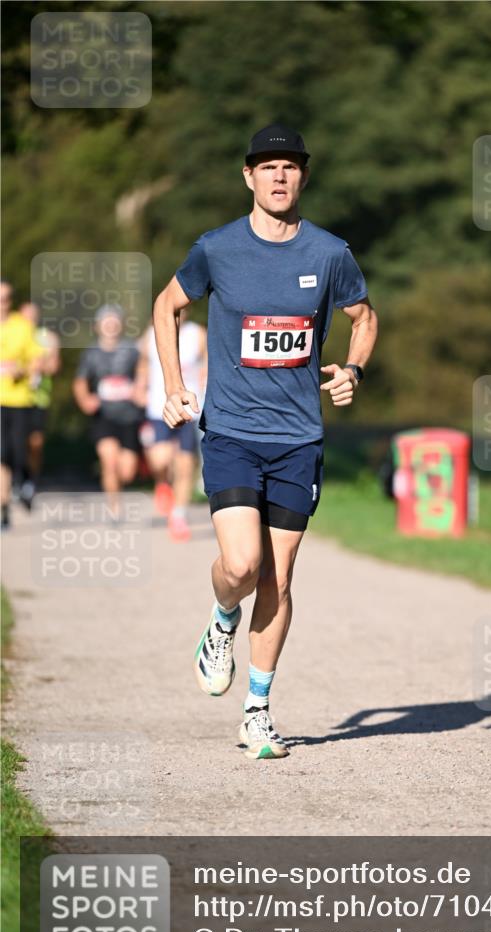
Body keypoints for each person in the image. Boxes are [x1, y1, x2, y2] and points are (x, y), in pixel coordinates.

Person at [153, 123, 378, 760]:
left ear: (303, 178)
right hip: (230, 432)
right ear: (248, 177)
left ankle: (257, 710)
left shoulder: (330, 253)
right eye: (267, 167)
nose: (279, 176)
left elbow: (364, 317)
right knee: (243, 565)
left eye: (291, 167)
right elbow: (166, 306)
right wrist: (173, 384)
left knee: (279, 577)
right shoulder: (216, 248)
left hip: (298, 440)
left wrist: (353, 368)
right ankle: (221, 620)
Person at [136, 307, 207, 541]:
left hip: (189, 408)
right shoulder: (151, 334)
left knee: (185, 463)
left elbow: (208, 363)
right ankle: (162, 483)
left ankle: (179, 516)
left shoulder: (197, 334)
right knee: (161, 459)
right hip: (159, 407)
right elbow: (144, 364)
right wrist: (140, 386)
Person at [72, 304, 144, 515]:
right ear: (98, 326)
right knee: (109, 460)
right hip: (103, 415)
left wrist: (139, 389)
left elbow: (143, 370)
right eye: (106, 321)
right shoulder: (91, 353)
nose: (110, 325)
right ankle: (114, 506)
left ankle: (120, 486)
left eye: (114, 321)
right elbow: (80, 381)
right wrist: (85, 399)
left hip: (130, 415)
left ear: (120, 324)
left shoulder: (131, 349)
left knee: (127, 471)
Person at [0, 281, 42, 530]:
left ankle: (24, 482)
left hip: (19, 400)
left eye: (5, 298)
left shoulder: (22, 327)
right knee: (1, 454)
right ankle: (3, 506)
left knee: (17, 452)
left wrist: (21, 370)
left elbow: (38, 362)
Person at [19, 301, 61, 508]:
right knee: (13, 444)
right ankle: (17, 480)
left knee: (35, 443)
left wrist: (34, 364)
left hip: (38, 398)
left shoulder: (48, 338)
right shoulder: (11, 334)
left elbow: (53, 366)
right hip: (13, 398)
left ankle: (31, 480)